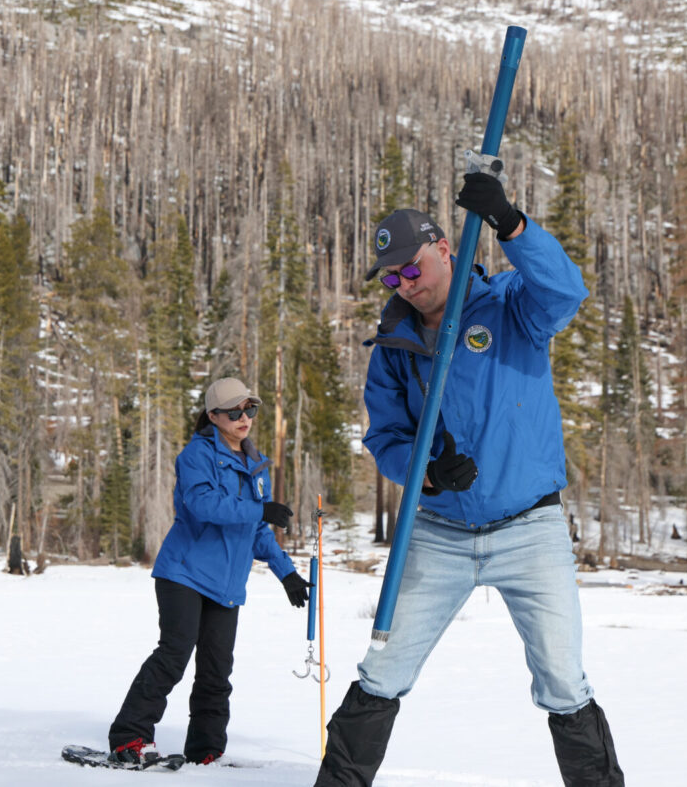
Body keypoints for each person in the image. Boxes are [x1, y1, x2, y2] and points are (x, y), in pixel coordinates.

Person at [314, 172, 624, 786]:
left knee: (563, 679)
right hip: (439, 531)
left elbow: (566, 292)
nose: (407, 283)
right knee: (384, 667)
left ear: (445, 248)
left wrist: (511, 224)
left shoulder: (512, 305)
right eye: (392, 276)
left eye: (413, 266)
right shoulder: (395, 344)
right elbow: (385, 438)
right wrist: (425, 474)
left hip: (530, 529)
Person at [106, 377, 310, 767]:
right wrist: (258, 509)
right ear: (214, 416)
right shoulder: (196, 456)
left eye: (249, 409)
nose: (243, 418)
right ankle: (129, 737)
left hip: (226, 584)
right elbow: (203, 505)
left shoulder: (255, 462)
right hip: (184, 573)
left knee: (217, 670)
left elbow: (257, 530)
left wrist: (287, 573)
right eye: (234, 412)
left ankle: (206, 750)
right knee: (174, 654)